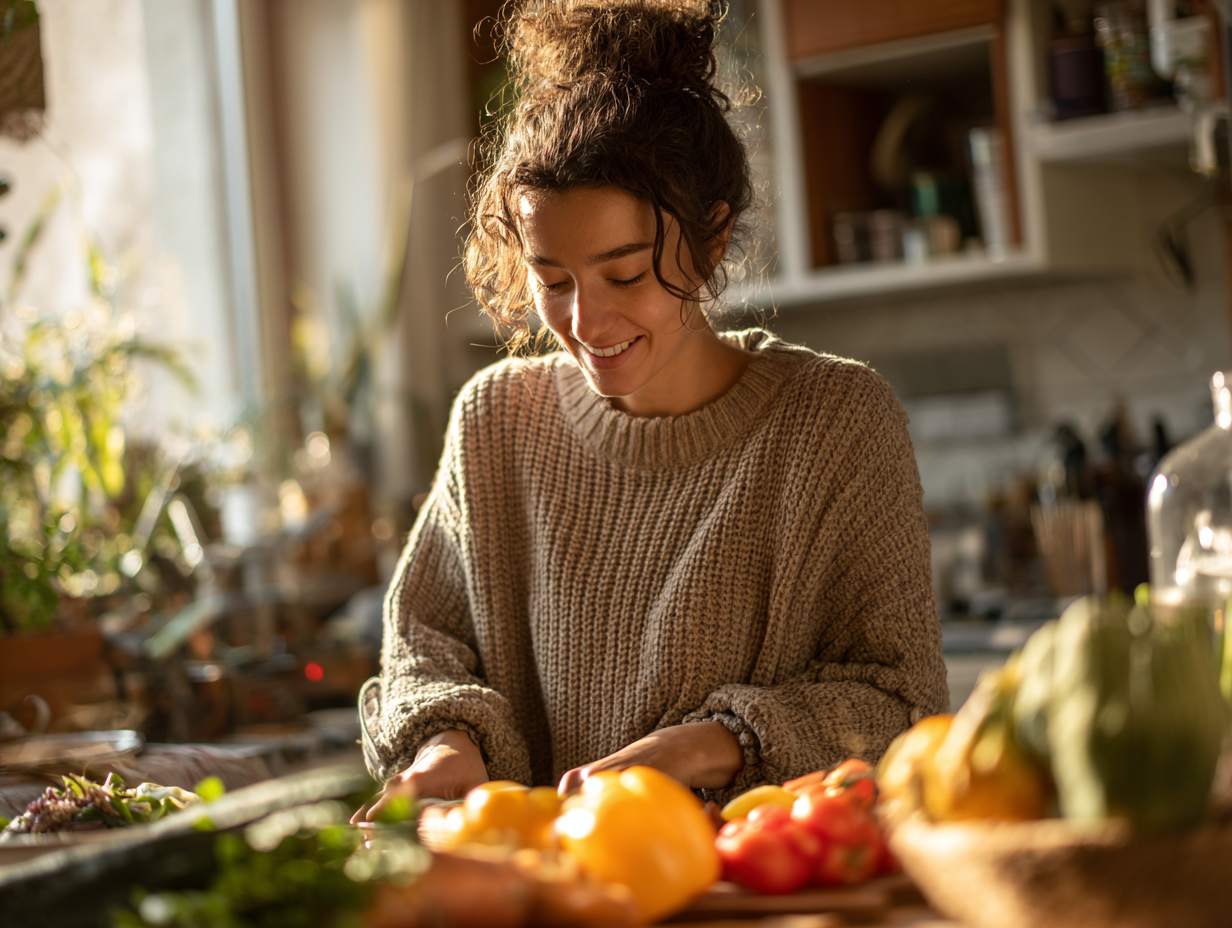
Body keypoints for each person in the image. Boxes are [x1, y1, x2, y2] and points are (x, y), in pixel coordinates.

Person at [355, 0, 947, 821]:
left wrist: (714, 744)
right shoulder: (492, 423)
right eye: (552, 280)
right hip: (539, 893)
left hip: (755, 894)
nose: (584, 324)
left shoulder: (837, 421)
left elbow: (901, 704)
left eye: (625, 275)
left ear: (711, 241)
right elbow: (424, 644)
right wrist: (444, 740)